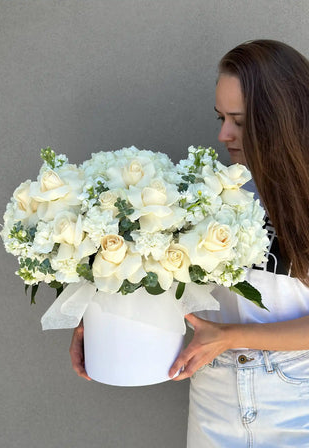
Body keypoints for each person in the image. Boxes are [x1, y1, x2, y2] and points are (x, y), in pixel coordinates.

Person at [70, 40, 309, 446]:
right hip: (214, 395)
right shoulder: (209, 193)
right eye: (220, 117)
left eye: (239, 120)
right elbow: (167, 281)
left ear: (280, 118)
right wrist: (99, 320)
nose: (223, 134)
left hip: (297, 397)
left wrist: (231, 336)